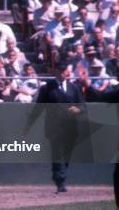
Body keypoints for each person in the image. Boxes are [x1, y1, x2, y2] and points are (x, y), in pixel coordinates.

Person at [26, 63, 84, 193]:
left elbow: (82, 105)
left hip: (71, 126)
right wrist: (30, 124)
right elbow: (39, 107)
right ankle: (60, 181)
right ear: (56, 71)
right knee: (57, 153)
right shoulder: (47, 88)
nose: (65, 73)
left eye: (66, 70)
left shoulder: (73, 88)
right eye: (62, 70)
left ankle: (59, 176)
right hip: (54, 127)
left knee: (67, 153)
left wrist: (78, 109)